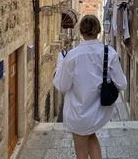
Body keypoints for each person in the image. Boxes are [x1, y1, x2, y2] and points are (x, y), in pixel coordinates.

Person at [53, 14, 127, 159]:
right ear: (99, 30)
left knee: (81, 152)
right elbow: (122, 84)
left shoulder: (72, 56)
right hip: (98, 112)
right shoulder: (110, 53)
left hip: (78, 113)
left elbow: (62, 86)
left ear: (80, 31)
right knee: (91, 138)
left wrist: (60, 63)